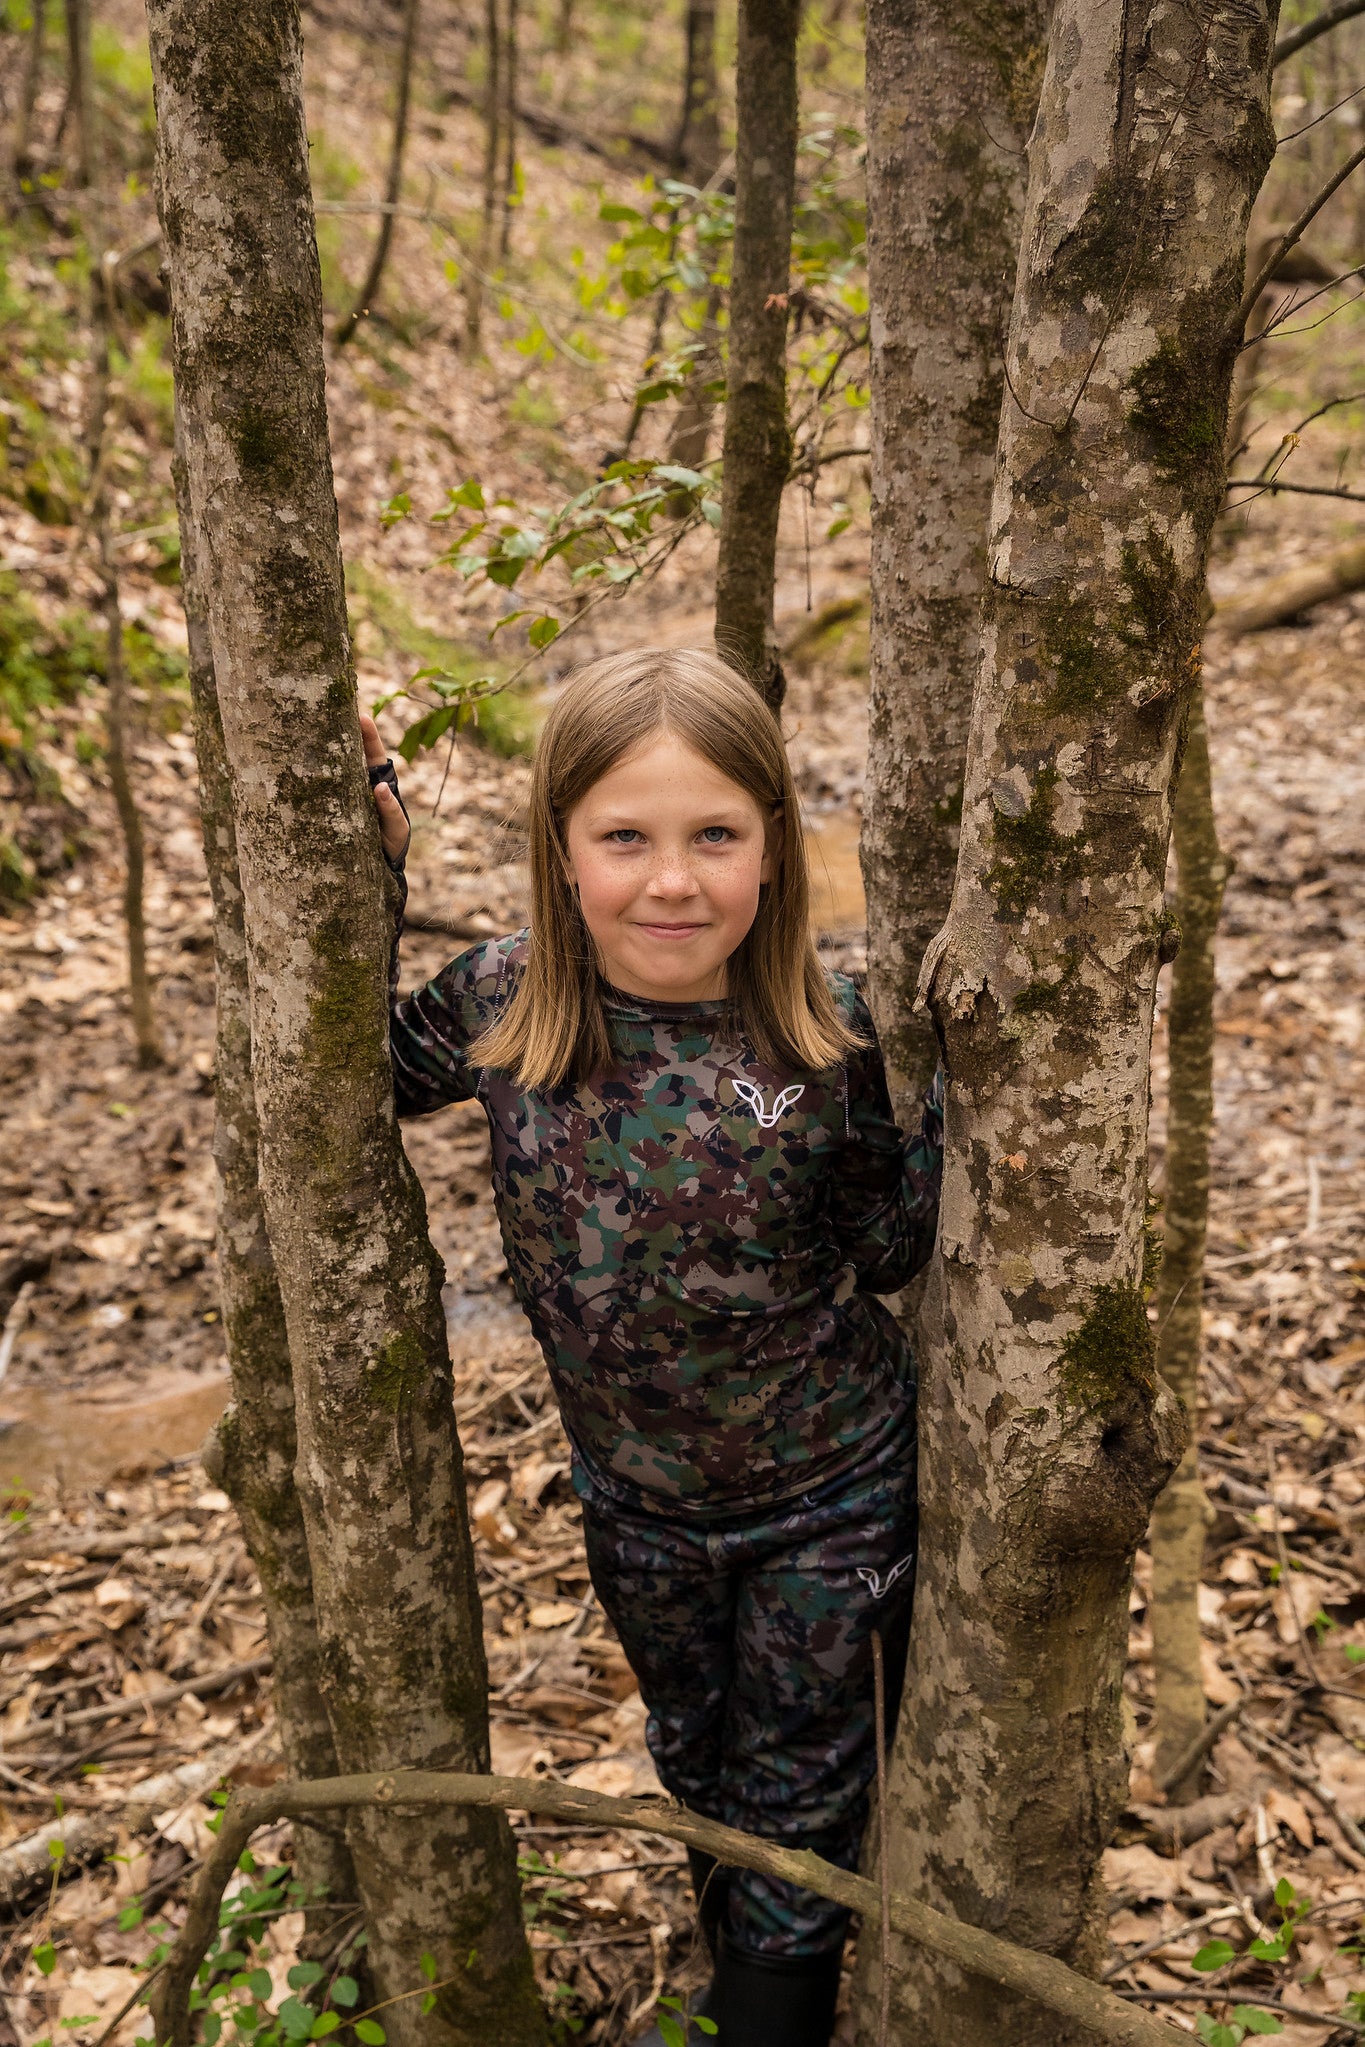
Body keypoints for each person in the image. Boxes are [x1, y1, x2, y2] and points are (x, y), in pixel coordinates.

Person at [365, 648, 943, 2047]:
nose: (671, 881)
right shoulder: (504, 1000)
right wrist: (362, 877)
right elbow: (344, 1068)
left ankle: (770, 2013)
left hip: (829, 1499)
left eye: (715, 837)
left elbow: (891, 1246)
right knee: (695, 1758)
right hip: (635, 1508)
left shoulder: (825, 1034)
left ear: (774, 853)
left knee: (804, 1789)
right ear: (561, 852)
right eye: (624, 837)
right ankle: (734, 1972)